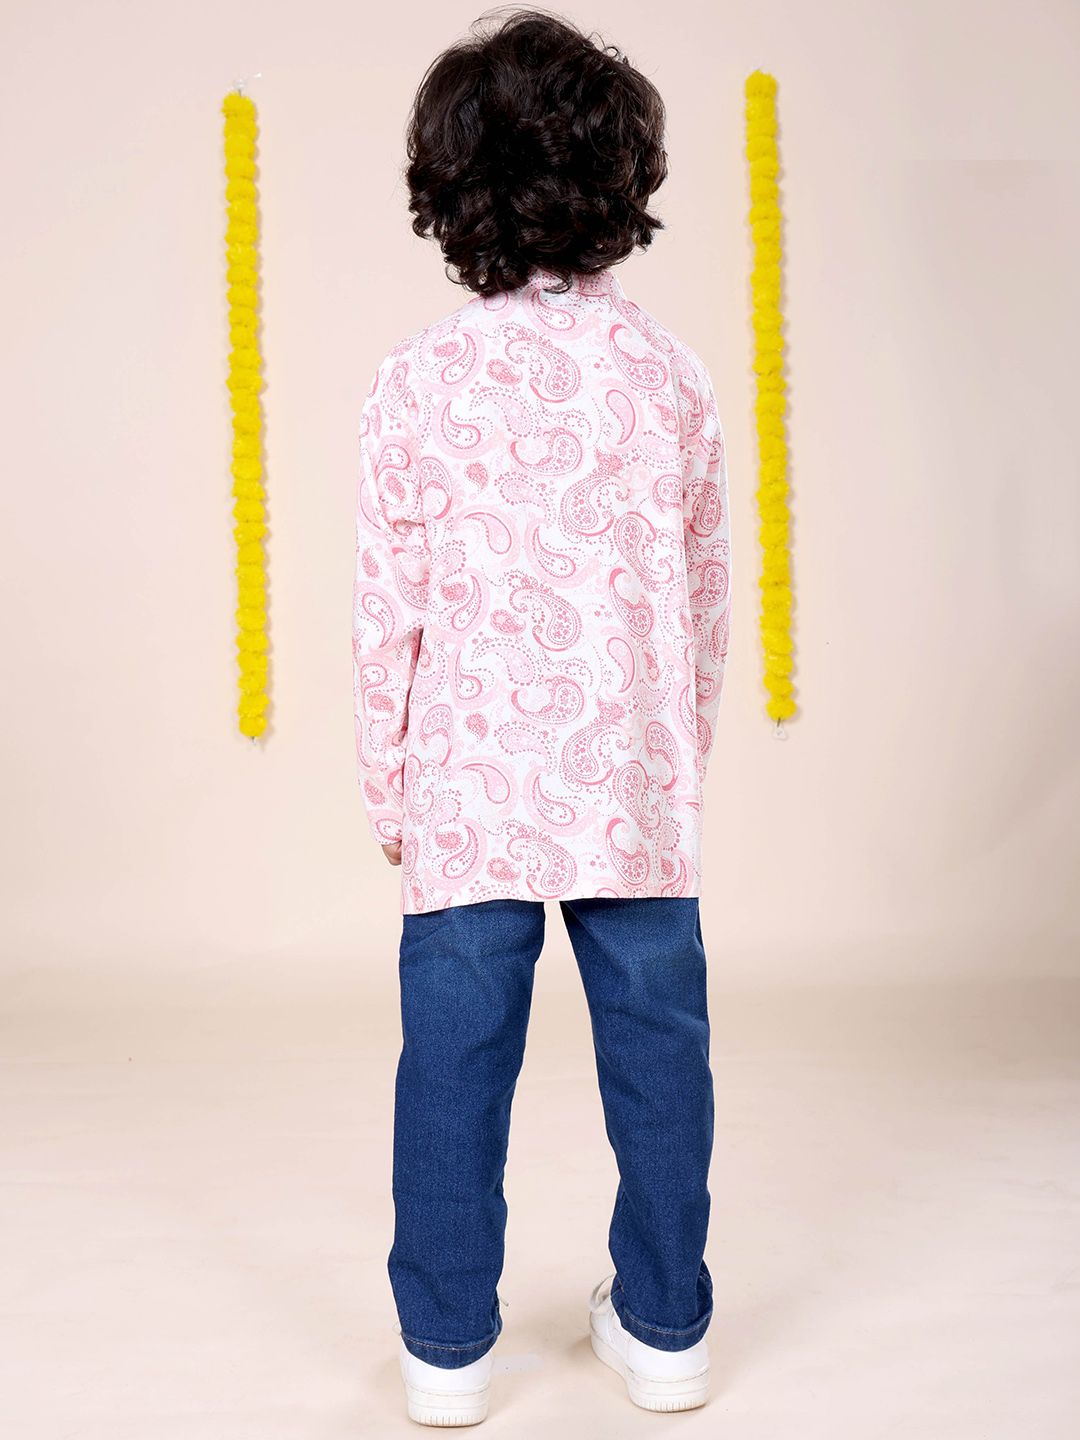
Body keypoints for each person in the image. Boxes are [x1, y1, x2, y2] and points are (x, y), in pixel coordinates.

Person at [352, 9, 731, 1425]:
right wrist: (680, 759)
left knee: (453, 1066)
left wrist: (389, 784)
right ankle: (669, 1323)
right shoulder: (671, 377)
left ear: (450, 189)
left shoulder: (417, 379)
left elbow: (388, 606)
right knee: (661, 1054)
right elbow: (702, 598)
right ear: (626, 178)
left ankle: (446, 1347)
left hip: (469, 788)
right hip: (633, 784)